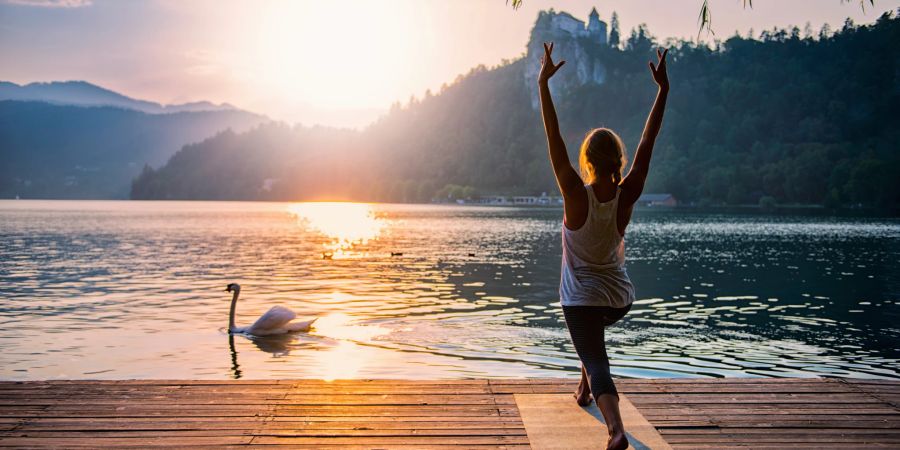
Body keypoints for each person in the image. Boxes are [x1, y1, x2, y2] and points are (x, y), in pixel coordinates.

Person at [538, 42, 669, 450]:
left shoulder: (576, 194)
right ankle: (582, 392)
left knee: (596, 358)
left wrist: (543, 84)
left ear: (588, 161)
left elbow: (553, 136)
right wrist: (662, 91)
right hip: (618, 298)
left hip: (581, 299)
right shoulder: (626, 194)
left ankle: (615, 431)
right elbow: (648, 144)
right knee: (590, 339)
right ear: (617, 161)